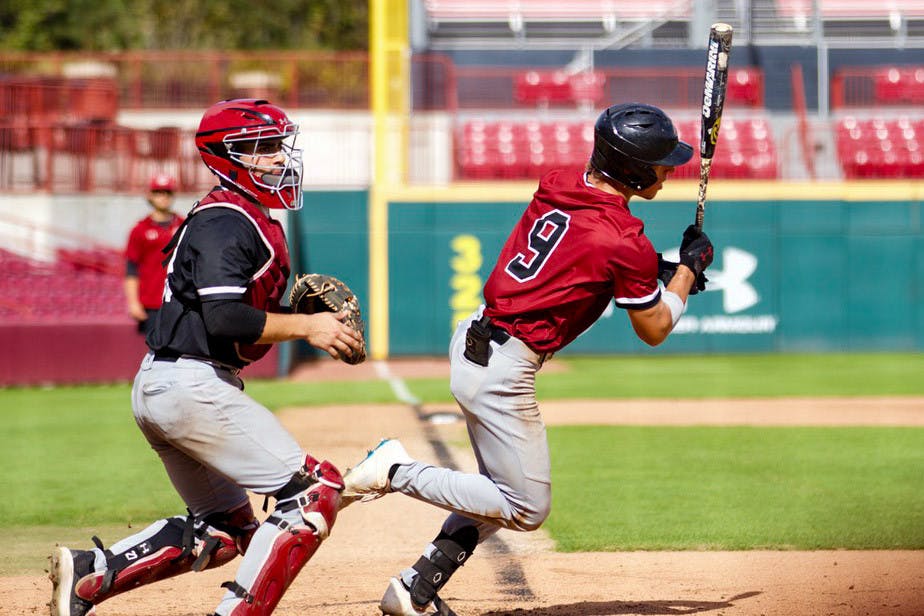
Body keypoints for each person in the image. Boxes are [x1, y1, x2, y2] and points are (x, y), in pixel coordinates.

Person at [342, 102, 715, 616]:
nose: (668, 171)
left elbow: (588, 248)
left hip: (477, 339)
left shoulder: (561, 183)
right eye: (659, 163)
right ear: (631, 169)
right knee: (525, 507)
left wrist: (662, 266)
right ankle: (395, 470)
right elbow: (654, 328)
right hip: (503, 367)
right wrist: (687, 271)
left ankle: (413, 588)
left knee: (492, 492)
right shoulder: (622, 239)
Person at [49, 98, 364, 616]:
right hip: (191, 386)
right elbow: (223, 319)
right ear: (226, 157)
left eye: (277, 145)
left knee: (224, 531)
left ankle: (90, 574)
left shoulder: (236, 214)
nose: (277, 156)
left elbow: (230, 319)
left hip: (172, 384)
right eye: (262, 147)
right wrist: (308, 325)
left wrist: (291, 314)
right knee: (314, 492)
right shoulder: (226, 219)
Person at [124, 172, 184, 335]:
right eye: (158, 192)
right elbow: (131, 268)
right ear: (150, 195)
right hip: (151, 303)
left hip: (179, 301)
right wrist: (133, 302)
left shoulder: (183, 225)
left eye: (167, 192)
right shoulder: (140, 229)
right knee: (154, 348)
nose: (163, 196)